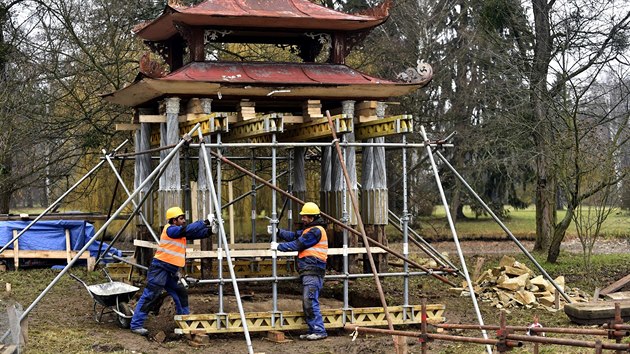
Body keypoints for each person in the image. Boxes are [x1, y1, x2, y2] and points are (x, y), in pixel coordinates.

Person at [130, 206, 214, 336]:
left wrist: (210, 231)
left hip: (170, 271)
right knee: (150, 295)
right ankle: (136, 325)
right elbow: (190, 229)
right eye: (181, 218)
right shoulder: (171, 230)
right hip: (160, 269)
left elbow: (194, 233)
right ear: (174, 220)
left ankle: (184, 323)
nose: (184, 221)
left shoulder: (179, 232)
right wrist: (204, 222)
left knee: (181, 293)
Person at [271, 202, 328, 340]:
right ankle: (313, 329)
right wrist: (277, 232)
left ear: (312, 217)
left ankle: (319, 330)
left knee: (310, 300)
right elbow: (293, 236)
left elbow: (298, 244)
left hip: (313, 271)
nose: (302, 218)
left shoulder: (315, 231)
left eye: (305, 216)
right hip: (309, 270)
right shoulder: (309, 230)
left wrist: (279, 247)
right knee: (308, 300)